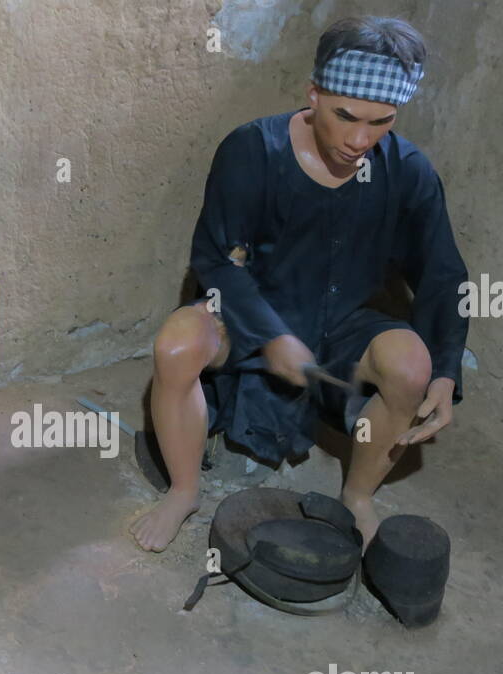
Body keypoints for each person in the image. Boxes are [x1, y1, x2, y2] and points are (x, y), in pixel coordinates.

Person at [130, 16, 468, 553]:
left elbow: (444, 274)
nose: (359, 140)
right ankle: (184, 490)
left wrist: (446, 373)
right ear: (313, 95)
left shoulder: (408, 171)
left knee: (413, 367)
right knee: (177, 344)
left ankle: (358, 496)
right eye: (345, 116)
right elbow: (217, 262)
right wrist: (271, 335)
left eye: (381, 122)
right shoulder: (253, 150)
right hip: (249, 311)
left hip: (343, 326)